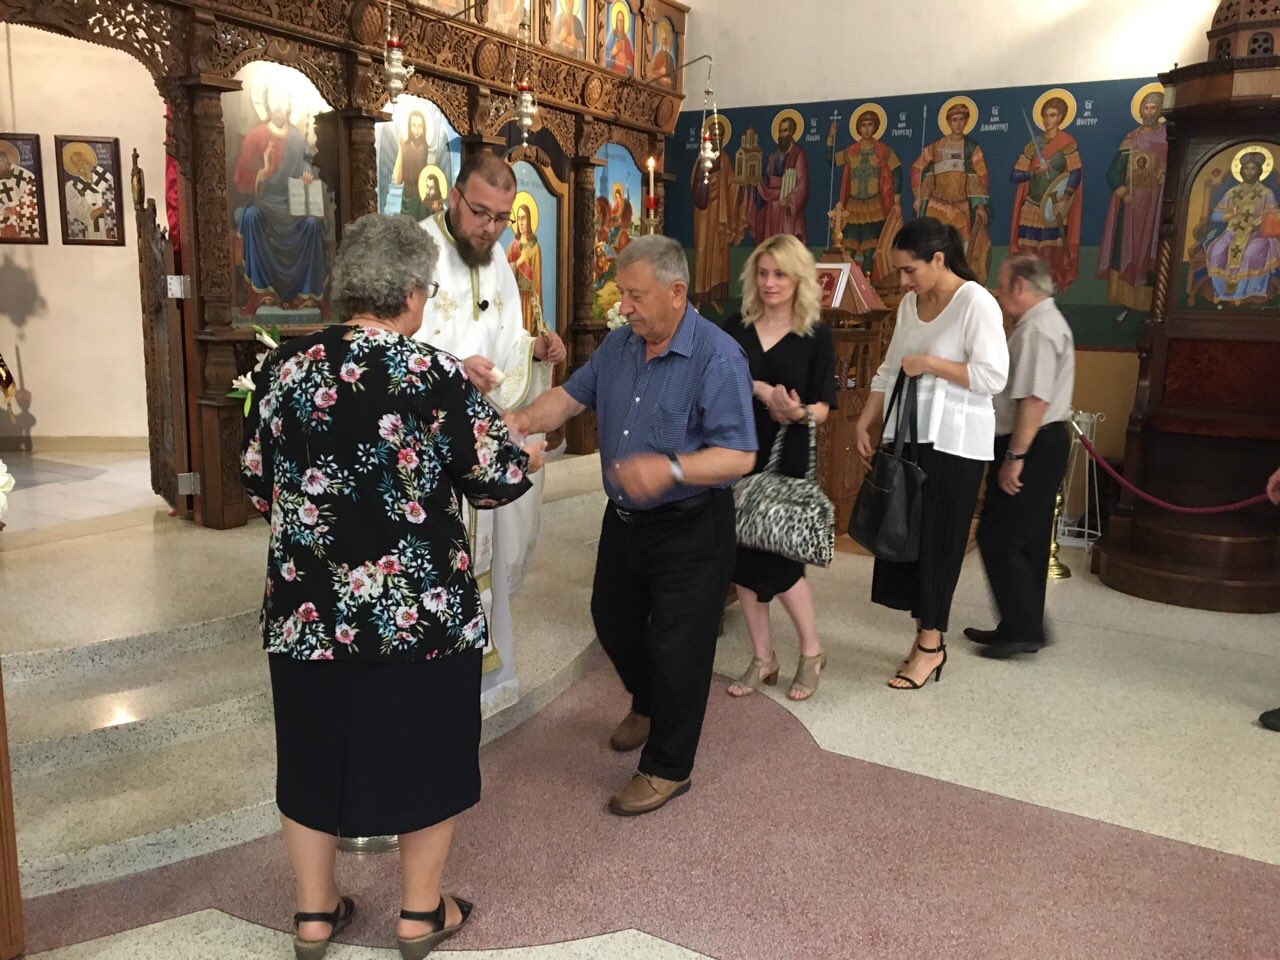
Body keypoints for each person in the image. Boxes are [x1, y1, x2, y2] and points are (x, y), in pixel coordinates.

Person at [240, 213, 543, 960]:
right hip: (420, 614)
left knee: (310, 757)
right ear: (411, 292)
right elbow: (496, 480)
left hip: (309, 610)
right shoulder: (432, 373)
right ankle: (418, 914)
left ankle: (315, 915)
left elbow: (256, 481)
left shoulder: (284, 368)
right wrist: (527, 454)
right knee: (427, 753)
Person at [505, 235, 756, 815]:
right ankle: (648, 703)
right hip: (624, 521)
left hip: (691, 526)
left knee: (679, 648)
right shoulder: (620, 345)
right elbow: (570, 398)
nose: (624, 307)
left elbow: (740, 454)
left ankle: (668, 767)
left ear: (677, 292)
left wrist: (671, 468)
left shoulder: (718, 357)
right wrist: (521, 419)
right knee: (612, 619)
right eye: (622, 294)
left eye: (636, 296)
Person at [414, 150, 567, 717]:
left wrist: (533, 350)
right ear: (454, 196)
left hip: (480, 437)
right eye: (481, 213)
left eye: (502, 217)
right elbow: (395, 344)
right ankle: (431, 687)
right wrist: (456, 370)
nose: (491, 227)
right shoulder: (418, 249)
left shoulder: (498, 256)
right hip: (428, 444)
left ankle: (480, 682)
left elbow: (506, 339)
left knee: (484, 563)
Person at [854, 217, 1008, 689]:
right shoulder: (909, 304)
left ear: (938, 259)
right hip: (909, 435)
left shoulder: (975, 302)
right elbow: (888, 369)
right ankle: (923, 634)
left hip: (956, 442)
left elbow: (992, 377)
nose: (904, 281)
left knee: (940, 542)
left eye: (910, 270)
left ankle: (930, 646)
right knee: (907, 540)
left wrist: (930, 364)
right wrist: (866, 419)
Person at [722, 235, 836, 701]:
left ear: (798, 279)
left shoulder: (815, 334)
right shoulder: (736, 325)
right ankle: (763, 657)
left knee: (783, 560)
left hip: (785, 450)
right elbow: (719, 377)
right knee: (742, 554)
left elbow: (824, 406)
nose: (770, 283)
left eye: (780, 274)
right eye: (763, 273)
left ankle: (811, 652)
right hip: (735, 446)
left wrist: (797, 411)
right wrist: (760, 389)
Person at [966, 254, 1074, 658]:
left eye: (1002, 284)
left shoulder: (1037, 331)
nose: (997, 292)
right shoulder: (1045, 322)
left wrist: (1015, 456)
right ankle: (1020, 625)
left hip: (1030, 443)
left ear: (1020, 286)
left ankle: (1023, 630)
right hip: (1040, 441)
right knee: (1026, 539)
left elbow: (1034, 399)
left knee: (1000, 537)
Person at [232, 89, 327, 316]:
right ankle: (262, 291)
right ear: (267, 104)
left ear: (289, 107)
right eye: (274, 102)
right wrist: (263, 173)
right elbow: (240, 178)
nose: (278, 108)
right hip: (266, 203)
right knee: (252, 216)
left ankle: (307, 294)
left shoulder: (297, 138)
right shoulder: (256, 136)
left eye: (282, 102)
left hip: (292, 205)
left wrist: (306, 173)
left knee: (313, 223)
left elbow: (306, 162)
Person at [1097, 90, 1167, 310]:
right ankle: (1124, 298)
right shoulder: (1132, 139)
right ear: (1140, 110)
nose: (1149, 112)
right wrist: (1124, 194)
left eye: (1153, 108)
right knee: (1125, 249)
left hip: (1156, 206)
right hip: (1131, 208)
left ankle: (1149, 303)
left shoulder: (1168, 139)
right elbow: (1112, 174)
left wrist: (1165, 175)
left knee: (1153, 248)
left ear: (1160, 111)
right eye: (1146, 108)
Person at [912, 102, 992, 285]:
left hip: (962, 205)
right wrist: (918, 197)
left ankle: (959, 280)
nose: (958, 123)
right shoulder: (936, 147)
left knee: (963, 244)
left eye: (961, 119)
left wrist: (980, 205)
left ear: (966, 121)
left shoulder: (972, 148)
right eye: (954, 119)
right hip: (937, 204)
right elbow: (916, 168)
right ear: (948, 122)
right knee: (933, 243)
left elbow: (981, 176)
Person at [1010, 96, 1083, 293]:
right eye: (1045, 115)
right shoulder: (1032, 145)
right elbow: (1015, 176)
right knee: (1028, 255)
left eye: (1053, 115)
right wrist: (1034, 172)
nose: (1048, 120)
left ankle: (1046, 292)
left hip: (1054, 206)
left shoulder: (1067, 143)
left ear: (1061, 117)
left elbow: (1075, 173)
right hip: (1032, 206)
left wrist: (1065, 198)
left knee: (1049, 254)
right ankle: (1027, 292)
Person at [827, 111, 903, 282]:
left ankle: (868, 284)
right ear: (858, 128)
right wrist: (830, 137)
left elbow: (897, 170)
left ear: (875, 127)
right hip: (853, 205)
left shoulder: (883, 150)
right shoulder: (851, 151)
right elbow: (831, 160)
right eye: (863, 125)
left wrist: (896, 198)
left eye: (870, 125)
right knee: (850, 247)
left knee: (870, 249)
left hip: (873, 205)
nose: (866, 129)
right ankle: (848, 284)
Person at [1202, 151, 1280, 304]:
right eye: (1246, 168)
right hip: (1232, 232)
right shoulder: (1232, 193)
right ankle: (1220, 293)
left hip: (1258, 234)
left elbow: (1273, 215)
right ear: (1241, 171)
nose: (1249, 172)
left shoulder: (1266, 193)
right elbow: (1215, 216)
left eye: (1253, 168)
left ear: (1259, 171)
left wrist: (1260, 221)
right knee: (1217, 251)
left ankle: (1244, 293)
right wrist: (1230, 215)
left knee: (1251, 254)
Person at [690, 119, 744, 311]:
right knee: (702, 249)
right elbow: (694, 183)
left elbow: (731, 184)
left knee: (718, 253)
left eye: (720, 135)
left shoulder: (725, 159)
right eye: (714, 135)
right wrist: (705, 184)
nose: (717, 138)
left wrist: (740, 187)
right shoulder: (702, 158)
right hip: (704, 211)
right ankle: (699, 295)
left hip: (720, 212)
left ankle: (715, 296)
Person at [748, 115, 809, 244]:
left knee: (786, 244)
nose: (782, 134)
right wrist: (757, 183)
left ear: (792, 132)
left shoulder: (798, 154)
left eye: (785, 130)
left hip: (787, 208)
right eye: (780, 131)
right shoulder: (773, 155)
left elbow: (802, 183)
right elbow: (766, 178)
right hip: (771, 209)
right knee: (771, 244)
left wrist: (790, 199)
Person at [507, 203, 543, 335]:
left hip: (529, 299)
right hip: (515, 297)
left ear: (529, 220)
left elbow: (537, 280)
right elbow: (504, 273)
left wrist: (536, 305)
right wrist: (520, 260)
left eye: (524, 218)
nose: (521, 223)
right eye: (519, 218)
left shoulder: (534, 247)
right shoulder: (513, 245)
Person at [391, 110, 431, 221]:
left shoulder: (425, 148)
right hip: (408, 196)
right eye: (414, 125)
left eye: (420, 126)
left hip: (422, 198)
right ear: (409, 126)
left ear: (424, 128)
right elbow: (397, 179)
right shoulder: (405, 147)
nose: (417, 130)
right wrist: (401, 149)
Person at [0, 140, 41, 241]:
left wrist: (15, 210)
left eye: (1, 161)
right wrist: (3, 212)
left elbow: (35, 199)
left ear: (6, 160)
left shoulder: (25, 176)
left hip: (27, 222)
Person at [605, 7, 635, 75]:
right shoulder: (612, 37)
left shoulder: (627, 40)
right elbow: (603, 57)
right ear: (616, 21)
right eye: (619, 20)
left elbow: (632, 62)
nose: (620, 23)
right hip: (613, 73)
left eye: (622, 21)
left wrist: (628, 62)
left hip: (624, 74)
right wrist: (612, 52)